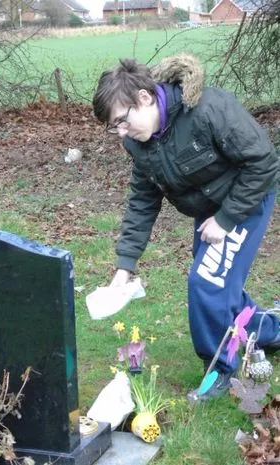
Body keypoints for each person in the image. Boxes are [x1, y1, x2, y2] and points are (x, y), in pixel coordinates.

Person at [92, 53, 280, 402]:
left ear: (145, 98)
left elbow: (264, 162)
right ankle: (269, 330)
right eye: (114, 126)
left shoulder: (208, 109)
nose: (121, 132)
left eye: (122, 120)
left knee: (206, 280)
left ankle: (219, 371)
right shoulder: (138, 141)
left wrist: (225, 220)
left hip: (246, 200)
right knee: (220, 286)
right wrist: (124, 267)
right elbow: (142, 201)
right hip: (211, 209)